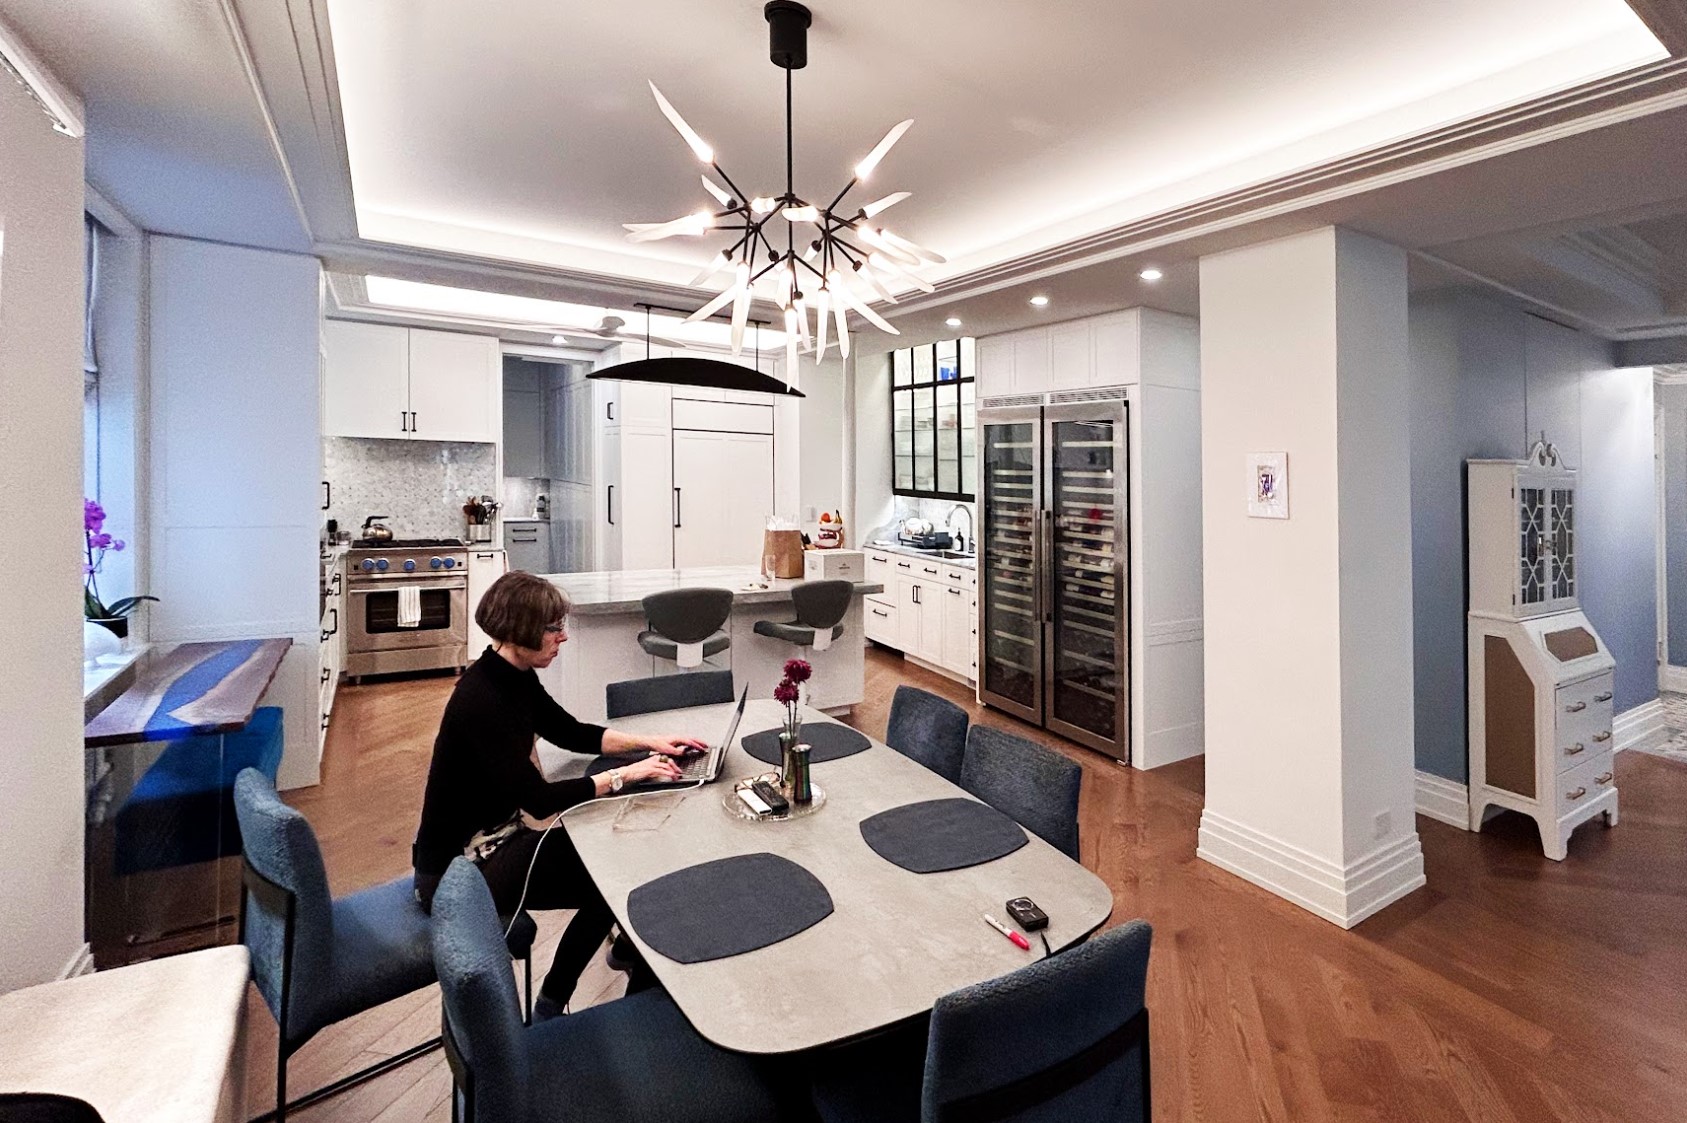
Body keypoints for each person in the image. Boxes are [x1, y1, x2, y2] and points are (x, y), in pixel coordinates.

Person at [413, 571, 703, 1019]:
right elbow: (540, 801)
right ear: (519, 630)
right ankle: (557, 999)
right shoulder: (482, 700)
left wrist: (652, 742)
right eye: (552, 628)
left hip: (494, 843)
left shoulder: (511, 674)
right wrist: (629, 775)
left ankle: (603, 966)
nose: (562, 637)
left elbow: (569, 731)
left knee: (613, 865)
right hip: (460, 872)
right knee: (612, 876)